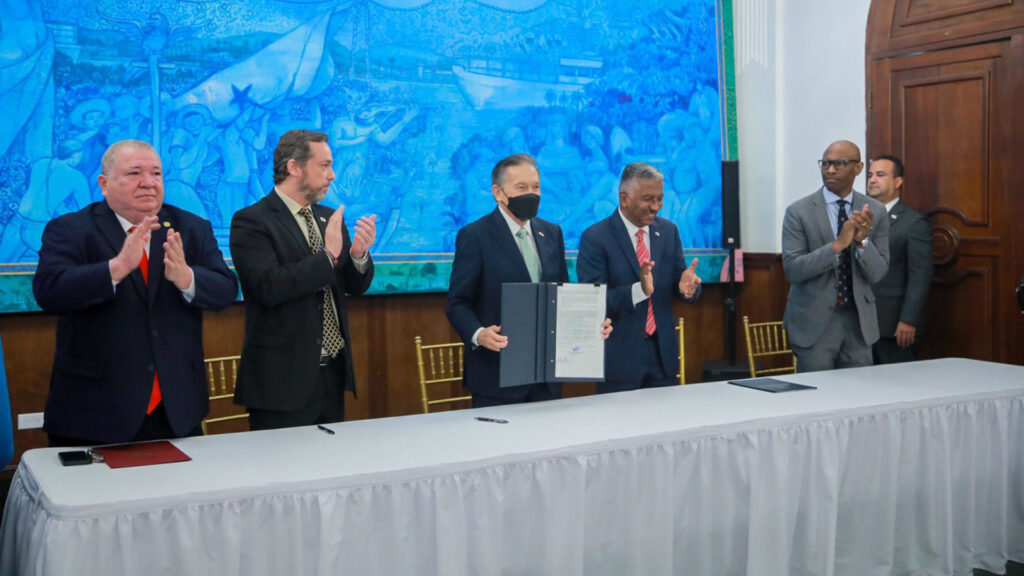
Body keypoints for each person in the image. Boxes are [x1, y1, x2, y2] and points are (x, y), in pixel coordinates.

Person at [32, 139, 238, 446]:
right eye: (134, 174)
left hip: (176, 409)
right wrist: (115, 269)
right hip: (94, 411)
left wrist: (186, 278)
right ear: (104, 183)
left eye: (156, 173)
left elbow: (226, 289)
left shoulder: (191, 228)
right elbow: (49, 290)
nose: (148, 183)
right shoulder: (71, 229)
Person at [230, 129, 375, 430]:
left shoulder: (329, 217)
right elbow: (268, 287)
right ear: (294, 167)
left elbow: (354, 286)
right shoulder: (252, 221)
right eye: (324, 165)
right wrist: (328, 256)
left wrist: (359, 255)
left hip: (332, 373)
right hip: (281, 382)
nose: (333, 175)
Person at [445, 154, 570, 407]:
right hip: (498, 375)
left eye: (536, 187)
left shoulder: (552, 233)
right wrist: (479, 334)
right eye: (521, 188)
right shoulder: (475, 236)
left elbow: (563, 294)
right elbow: (457, 302)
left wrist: (588, 324)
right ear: (498, 192)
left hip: (546, 375)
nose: (532, 194)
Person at [577, 162, 702, 393]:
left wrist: (688, 289)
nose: (656, 207)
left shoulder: (668, 232)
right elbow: (592, 301)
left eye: (660, 198)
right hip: (620, 360)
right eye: (648, 199)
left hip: (663, 357)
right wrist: (639, 291)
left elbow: (680, 280)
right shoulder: (596, 238)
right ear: (624, 198)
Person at [781, 140, 890, 372]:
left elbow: (878, 273)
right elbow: (793, 270)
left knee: (858, 400)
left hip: (859, 324)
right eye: (825, 164)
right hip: (814, 324)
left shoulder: (875, 211)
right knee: (817, 400)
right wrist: (837, 245)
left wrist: (861, 241)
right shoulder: (798, 212)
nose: (830, 170)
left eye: (839, 164)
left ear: (858, 168)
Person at [866, 154, 933, 363]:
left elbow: (920, 276)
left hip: (893, 326)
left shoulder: (913, 223)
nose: (872, 180)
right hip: (859, 325)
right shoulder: (859, 218)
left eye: (880, 175)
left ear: (898, 182)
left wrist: (908, 319)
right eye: (869, 175)